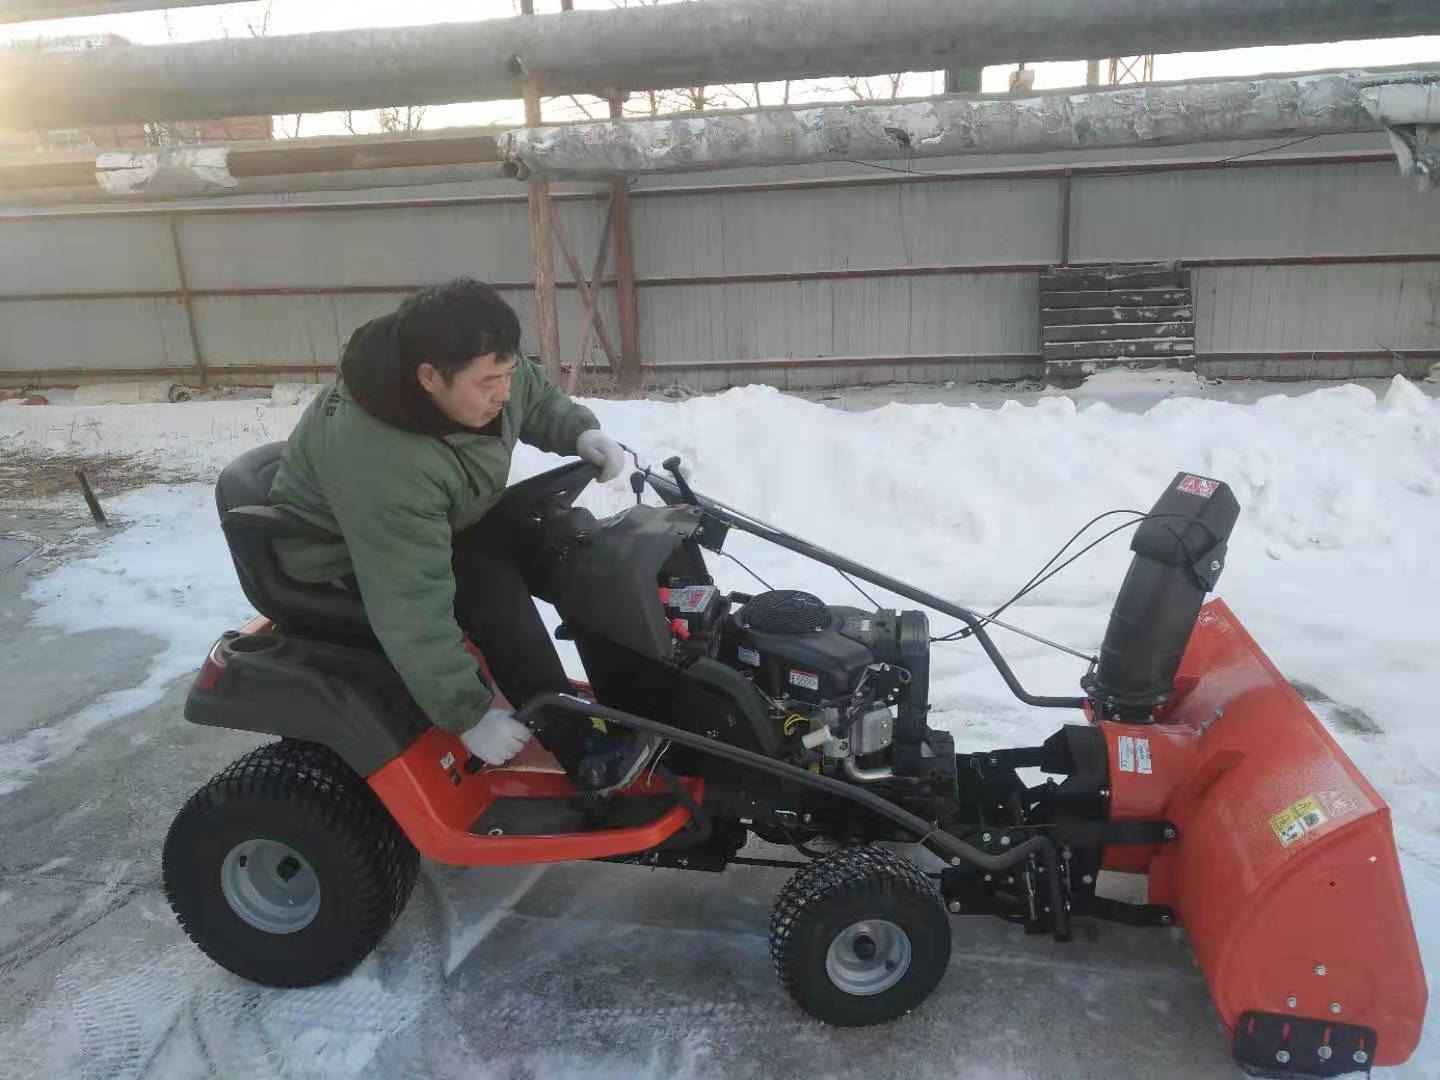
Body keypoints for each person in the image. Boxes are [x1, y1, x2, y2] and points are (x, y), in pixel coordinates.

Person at [268, 278, 658, 793]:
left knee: (572, 545)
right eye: (488, 382)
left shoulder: (472, 368)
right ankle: (580, 747)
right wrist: (469, 715)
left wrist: (579, 432)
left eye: (507, 372)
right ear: (429, 378)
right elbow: (407, 600)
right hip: (344, 558)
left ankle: (646, 693)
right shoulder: (383, 461)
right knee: (492, 591)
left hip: (436, 520)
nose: (502, 390)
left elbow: (532, 396)